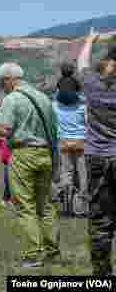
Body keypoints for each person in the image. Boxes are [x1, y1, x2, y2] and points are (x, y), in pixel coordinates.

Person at [0, 62, 59, 269]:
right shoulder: (43, 97)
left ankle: (33, 253)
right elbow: (54, 128)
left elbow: (4, 130)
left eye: (2, 82)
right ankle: (52, 248)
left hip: (23, 153)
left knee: (25, 204)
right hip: (45, 152)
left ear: (9, 79)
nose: (1, 86)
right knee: (45, 204)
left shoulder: (12, 99)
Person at [77, 29, 116, 275]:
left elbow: (82, 64)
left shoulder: (93, 84)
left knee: (101, 221)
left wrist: (90, 41)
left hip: (98, 159)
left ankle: (102, 275)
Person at [53, 71, 87, 218]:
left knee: (66, 174)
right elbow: (88, 123)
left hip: (63, 143)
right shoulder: (82, 105)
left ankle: (66, 205)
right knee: (83, 175)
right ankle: (80, 208)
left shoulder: (54, 105)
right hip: (81, 142)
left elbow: (53, 124)